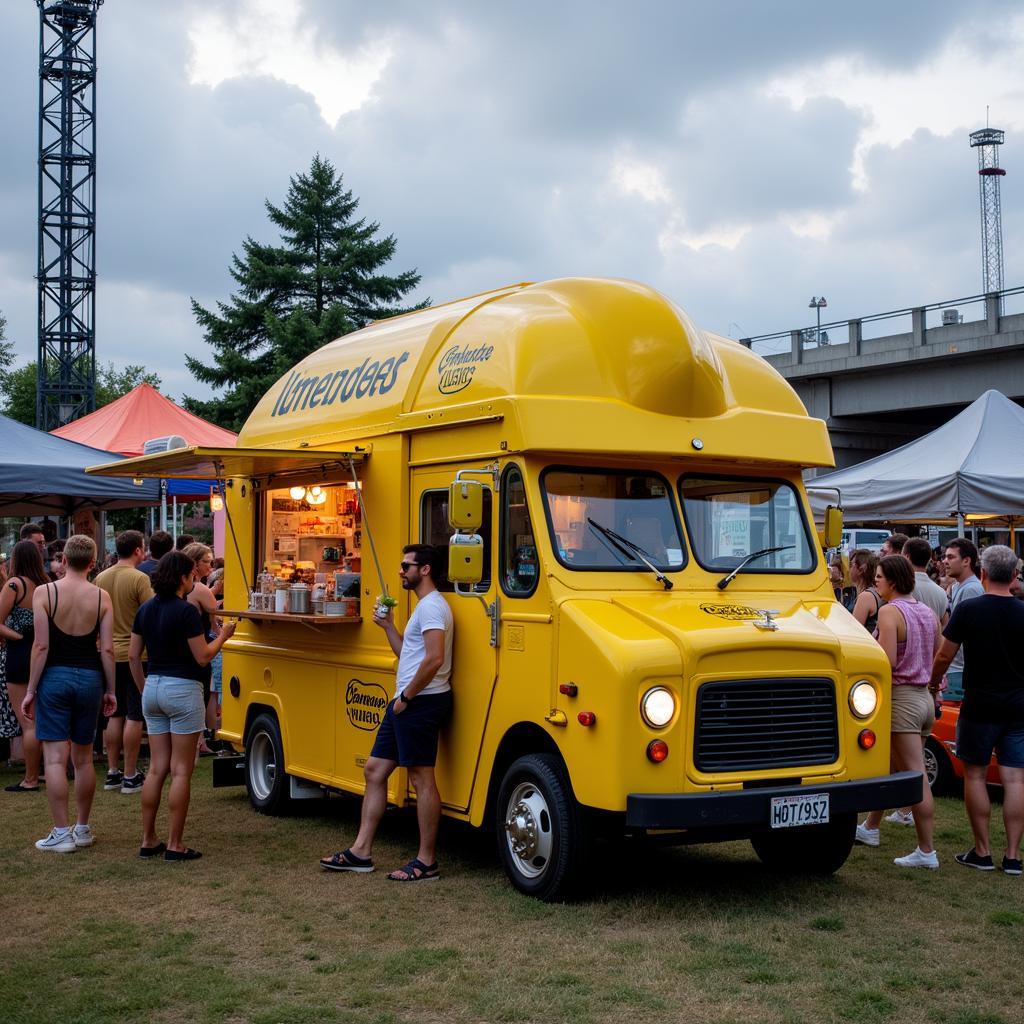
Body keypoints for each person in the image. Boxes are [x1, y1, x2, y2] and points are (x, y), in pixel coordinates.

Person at [320, 544, 453, 880]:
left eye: (406, 565)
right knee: (375, 771)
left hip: (419, 702)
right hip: (405, 701)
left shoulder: (433, 608)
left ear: (424, 570)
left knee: (422, 779)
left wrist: (407, 696)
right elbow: (408, 653)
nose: (400, 571)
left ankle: (426, 862)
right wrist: (389, 627)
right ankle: (360, 852)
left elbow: (434, 659)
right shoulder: (422, 608)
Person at [128, 551, 236, 860]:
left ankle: (149, 839)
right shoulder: (187, 612)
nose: (196, 579)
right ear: (182, 578)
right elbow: (203, 655)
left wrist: (143, 687)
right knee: (180, 771)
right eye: (193, 575)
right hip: (183, 689)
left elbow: (134, 656)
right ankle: (175, 844)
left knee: (156, 769)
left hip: (154, 687)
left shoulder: (146, 609)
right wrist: (224, 636)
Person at [929, 545, 1024, 875]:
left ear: (983, 573)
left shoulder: (970, 610)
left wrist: (933, 682)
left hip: (979, 703)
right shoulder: (1023, 612)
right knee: (1014, 779)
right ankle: (1012, 856)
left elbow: (944, 655)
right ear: (1014, 577)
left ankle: (982, 851)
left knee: (975, 774)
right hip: (1017, 705)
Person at [21, 535, 116, 853]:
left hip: (55, 679)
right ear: (92, 562)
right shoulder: (102, 597)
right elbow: (107, 649)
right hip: (90, 678)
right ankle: (83, 828)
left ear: (63, 560)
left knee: (55, 759)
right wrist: (111, 689)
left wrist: (31, 689)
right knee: (85, 758)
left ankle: (62, 832)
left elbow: (41, 645)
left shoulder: (45, 592)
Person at [855, 554, 940, 869]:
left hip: (901, 699)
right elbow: (936, 654)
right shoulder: (927, 612)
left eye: (878, 578)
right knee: (896, 767)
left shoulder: (890, 612)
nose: (876, 582)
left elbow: (886, 661)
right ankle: (871, 827)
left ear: (891, 581)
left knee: (915, 775)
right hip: (924, 698)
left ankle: (927, 851)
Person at [94, 530, 154, 794]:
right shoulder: (140, 579)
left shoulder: (100, 578)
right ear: (138, 550)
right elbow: (151, 614)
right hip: (135, 654)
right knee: (134, 714)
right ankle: (130, 774)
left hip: (106, 651)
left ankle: (112, 772)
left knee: (113, 713)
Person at [0, 540, 52, 791]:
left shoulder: (14, 585)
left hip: (20, 654)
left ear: (16, 559)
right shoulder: (48, 585)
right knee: (43, 718)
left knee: (28, 722)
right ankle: (46, 770)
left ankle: (30, 778)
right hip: (45, 653)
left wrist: (18, 636)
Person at [181, 543, 220, 756]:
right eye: (207, 561)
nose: (211, 566)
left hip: (181, 650)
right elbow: (215, 618)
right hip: (199, 648)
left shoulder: (183, 590)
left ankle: (199, 741)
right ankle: (198, 741)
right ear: (195, 564)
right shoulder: (200, 589)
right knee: (200, 695)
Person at [942, 538, 984, 701]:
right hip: (956, 668)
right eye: (945, 557)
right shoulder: (959, 586)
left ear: (966, 561)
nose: (945, 561)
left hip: (960, 669)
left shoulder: (972, 589)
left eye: (951, 557)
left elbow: (965, 633)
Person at [905, 537, 949, 627]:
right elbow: (945, 627)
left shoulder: (902, 588)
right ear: (929, 560)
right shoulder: (941, 592)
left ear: (907, 557)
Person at [848, 549, 884, 633]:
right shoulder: (875, 591)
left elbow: (854, 630)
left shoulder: (866, 596)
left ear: (860, 570)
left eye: (851, 565)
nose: (848, 569)